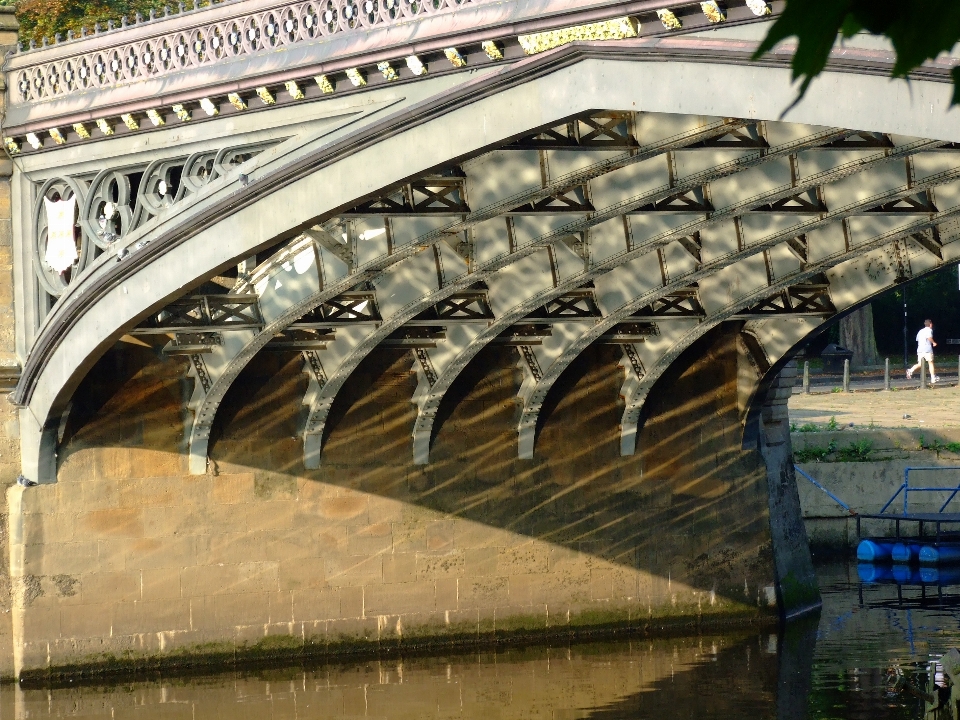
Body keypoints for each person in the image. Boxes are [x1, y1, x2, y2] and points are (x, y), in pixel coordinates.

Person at [907, 319, 939, 383]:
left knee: (920, 363)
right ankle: (933, 378)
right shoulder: (929, 330)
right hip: (927, 349)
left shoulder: (920, 331)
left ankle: (910, 370)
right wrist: (933, 342)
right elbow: (929, 337)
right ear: (930, 324)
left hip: (920, 349)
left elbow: (917, 339)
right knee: (930, 362)